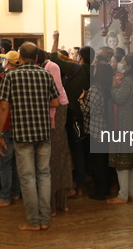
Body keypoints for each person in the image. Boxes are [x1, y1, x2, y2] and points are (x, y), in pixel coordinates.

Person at [0, 42, 60, 231]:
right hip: (43, 131)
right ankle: (45, 219)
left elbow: (4, 107)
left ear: (20, 58)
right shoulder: (46, 74)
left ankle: (33, 221)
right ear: (37, 58)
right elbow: (55, 102)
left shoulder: (10, 76)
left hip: (22, 133)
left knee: (27, 178)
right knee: (44, 175)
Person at [49, 31, 93, 195]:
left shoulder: (77, 69)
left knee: (77, 150)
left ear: (80, 57)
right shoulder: (95, 70)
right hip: (92, 115)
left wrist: (55, 40)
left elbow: (54, 58)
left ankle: (78, 184)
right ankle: (90, 180)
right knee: (87, 149)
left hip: (75, 115)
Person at [38, 49, 73, 216]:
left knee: (52, 162)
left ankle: (54, 205)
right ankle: (58, 204)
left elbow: (56, 93)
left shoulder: (51, 67)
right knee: (56, 161)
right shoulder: (47, 68)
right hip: (55, 128)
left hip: (54, 127)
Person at [0, 50, 22, 208]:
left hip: (5, 124)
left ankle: (5, 197)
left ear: (7, 62)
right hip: (20, 124)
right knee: (16, 162)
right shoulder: (22, 77)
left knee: (4, 163)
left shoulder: (3, 77)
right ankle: (15, 193)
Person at [107, 54, 133, 204]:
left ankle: (123, 195)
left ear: (128, 67)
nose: (120, 63)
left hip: (125, 124)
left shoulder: (127, 80)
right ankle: (131, 191)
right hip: (130, 122)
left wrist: (113, 87)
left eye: (123, 61)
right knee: (129, 161)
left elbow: (119, 98)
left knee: (122, 162)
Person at [81, 62, 114, 200]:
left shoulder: (95, 89)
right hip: (105, 128)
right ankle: (106, 188)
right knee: (104, 162)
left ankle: (100, 191)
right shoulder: (107, 88)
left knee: (97, 164)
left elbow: (88, 111)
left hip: (95, 130)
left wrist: (81, 101)